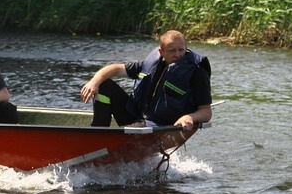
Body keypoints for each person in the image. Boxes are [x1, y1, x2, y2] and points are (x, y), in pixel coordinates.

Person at [79, 30, 212, 131]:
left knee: (138, 127)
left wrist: (190, 117)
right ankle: (99, 132)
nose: (178, 55)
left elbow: (206, 112)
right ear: (161, 52)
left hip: (162, 124)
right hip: (136, 115)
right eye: (172, 51)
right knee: (103, 84)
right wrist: (94, 82)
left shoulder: (197, 72)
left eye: (181, 50)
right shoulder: (151, 64)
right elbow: (116, 69)